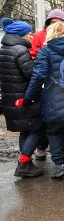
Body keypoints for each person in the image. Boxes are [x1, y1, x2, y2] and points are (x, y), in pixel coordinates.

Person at [24, 22, 64, 179]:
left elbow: (38, 76)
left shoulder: (45, 52)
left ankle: (59, 166)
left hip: (53, 99)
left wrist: (29, 97)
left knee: (54, 132)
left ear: (50, 34)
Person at [0, 21, 44, 177]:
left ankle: (26, 162)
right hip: (25, 97)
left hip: (11, 99)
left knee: (25, 129)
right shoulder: (20, 51)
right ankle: (23, 163)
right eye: (29, 33)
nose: (31, 35)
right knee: (37, 128)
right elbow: (31, 75)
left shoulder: (5, 49)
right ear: (21, 34)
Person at [29, 8, 64, 161]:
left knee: (63, 119)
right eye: (52, 22)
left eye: (58, 22)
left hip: (63, 84)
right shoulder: (39, 36)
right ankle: (41, 147)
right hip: (46, 82)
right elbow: (33, 54)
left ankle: (61, 151)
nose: (55, 25)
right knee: (44, 118)